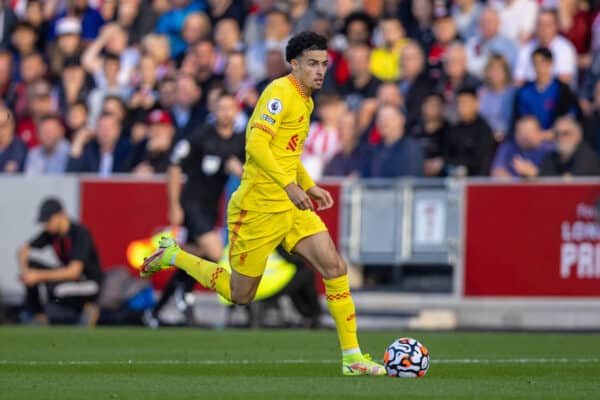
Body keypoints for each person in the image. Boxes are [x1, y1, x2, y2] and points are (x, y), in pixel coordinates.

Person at [140, 31, 386, 376]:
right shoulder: (278, 93)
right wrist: (289, 185)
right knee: (240, 294)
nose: (320, 71)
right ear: (294, 64)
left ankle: (352, 357)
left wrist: (307, 185)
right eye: (312, 64)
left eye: (324, 64)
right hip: (256, 209)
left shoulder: (307, 100)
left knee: (335, 267)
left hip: (290, 207)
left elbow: (287, 154)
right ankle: (174, 255)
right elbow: (256, 146)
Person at [145, 93, 245, 326]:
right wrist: (174, 205)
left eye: (230, 109)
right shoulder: (202, 136)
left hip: (211, 207)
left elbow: (252, 170)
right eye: (221, 108)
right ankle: (176, 278)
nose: (225, 113)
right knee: (213, 252)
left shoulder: (240, 141)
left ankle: (162, 309)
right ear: (215, 112)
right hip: (192, 203)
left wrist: (239, 170)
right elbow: (174, 165)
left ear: (236, 111)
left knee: (192, 259)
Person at [18, 197, 103, 325]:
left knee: (56, 290)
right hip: (70, 281)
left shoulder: (80, 233)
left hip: (88, 283)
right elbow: (23, 250)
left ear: (61, 215)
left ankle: (88, 308)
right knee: (32, 268)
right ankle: (39, 317)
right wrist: (26, 272)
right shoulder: (51, 234)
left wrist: (38, 276)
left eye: (48, 220)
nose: (46, 225)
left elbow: (74, 272)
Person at [514, 47, 579, 136]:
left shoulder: (562, 90)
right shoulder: (525, 92)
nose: (539, 67)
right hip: (530, 140)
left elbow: (570, 116)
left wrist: (552, 133)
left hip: (556, 140)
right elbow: (521, 118)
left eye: (542, 62)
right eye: (535, 63)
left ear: (550, 63)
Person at [443, 87, 496, 176]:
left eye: (465, 102)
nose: (461, 106)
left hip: (477, 180)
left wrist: (458, 163)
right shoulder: (454, 129)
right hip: (453, 177)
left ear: (476, 104)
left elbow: (481, 160)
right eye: (459, 103)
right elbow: (446, 154)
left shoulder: (484, 130)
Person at [362, 104, 425, 178]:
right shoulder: (374, 150)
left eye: (387, 118)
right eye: (380, 119)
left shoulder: (411, 149)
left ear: (401, 120)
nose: (383, 122)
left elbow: (409, 182)